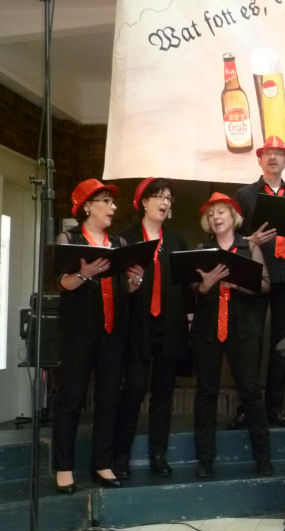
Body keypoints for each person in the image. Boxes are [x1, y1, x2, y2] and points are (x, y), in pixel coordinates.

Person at [53, 178, 144, 493]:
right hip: (78, 333)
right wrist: (84, 273)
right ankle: (64, 468)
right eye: (106, 201)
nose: (113, 207)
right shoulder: (70, 238)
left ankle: (102, 463)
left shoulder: (118, 243)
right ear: (87, 206)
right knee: (71, 398)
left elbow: (124, 289)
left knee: (108, 399)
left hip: (112, 331)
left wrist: (135, 282)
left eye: (112, 202)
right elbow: (61, 283)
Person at [112, 177, 194, 479]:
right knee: (133, 390)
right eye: (158, 196)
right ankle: (120, 456)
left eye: (169, 198)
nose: (164, 202)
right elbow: (116, 287)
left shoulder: (177, 241)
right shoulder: (126, 238)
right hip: (137, 327)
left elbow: (185, 287)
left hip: (170, 326)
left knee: (163, 393)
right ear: (144, 202)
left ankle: (158, 454)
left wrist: (189, 319)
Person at [190, 192, 273, 478]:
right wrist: (205, 286)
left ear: (233, 216)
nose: (216, 218)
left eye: (221, 212)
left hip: (243, 328)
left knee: (250, 390)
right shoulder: (201, 249)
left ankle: (263, 459)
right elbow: (191, 290)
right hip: (207, 329)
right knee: (206, 392)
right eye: (211, 214)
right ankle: (205, 461)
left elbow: (265, 285)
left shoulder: (250, 247)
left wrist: (238, 283)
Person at [234, 136, 285, 428]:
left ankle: (274, 408)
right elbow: (230, 236)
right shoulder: (244, 195)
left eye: (279, 153)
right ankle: (247, 408)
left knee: (282, 344)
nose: (273, 158)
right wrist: (249, 240)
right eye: (268, 153)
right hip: (256, 275)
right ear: (260, 159)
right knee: (251, 344)